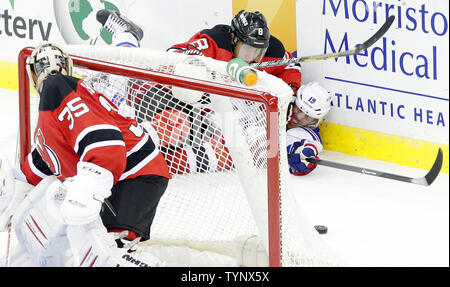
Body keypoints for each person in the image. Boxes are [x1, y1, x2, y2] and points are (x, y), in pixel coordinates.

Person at [94, 9, 331, 176]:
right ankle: (127, 37)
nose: (255, 58)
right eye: (248, 50)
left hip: (213, 116)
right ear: (233, 38)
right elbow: (172, 57)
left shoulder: (272, 52)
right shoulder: (213, 41)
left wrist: (290, 92)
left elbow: (291, 65)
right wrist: (197, 64)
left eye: (260, 51)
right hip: (169, 95)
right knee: (149, 109)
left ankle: (148, 156)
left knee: (222, 147)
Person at [0, 42, 170, 267]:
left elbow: (105, 141)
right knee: (99, 251)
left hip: (132, 176)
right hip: (129, 177)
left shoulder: (57, 88)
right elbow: (43, 160)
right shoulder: (51, 112)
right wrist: (14, 191)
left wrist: (89, 186)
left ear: (33, 74)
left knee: (105, 255)